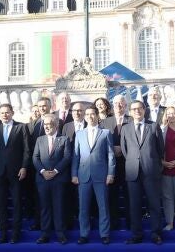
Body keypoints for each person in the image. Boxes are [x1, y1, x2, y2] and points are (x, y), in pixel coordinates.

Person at [120, 100, 164, 245]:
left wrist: (154, 165)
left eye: (139, 108)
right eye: (133, 109)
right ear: (130, 112)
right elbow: (125, 150)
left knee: (154, 204)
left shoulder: (153, 126)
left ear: (144, 110)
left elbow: (160, 149)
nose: (137, 111)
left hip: (151, 171)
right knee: (134, 205)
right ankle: (136, 234)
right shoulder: (125, 128)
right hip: (133, 172)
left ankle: (156, 234)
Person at [0, 103, 30, 244]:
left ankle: (15, 234)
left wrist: (24, 167)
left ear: (12, 112)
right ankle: (3, 233)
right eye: (2, 113)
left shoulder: (21, 127)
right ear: (0, 114)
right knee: (1, 204)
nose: (5, 115)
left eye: (7, 112)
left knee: (17, 203)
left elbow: (26, 150)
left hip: (17, 172)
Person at [72, 106, 115, 245]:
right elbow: (75, 156)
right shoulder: (79, 134)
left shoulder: (106, 133)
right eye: (87, 114)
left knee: (103, 207)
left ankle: (105, 234)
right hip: (83, 176)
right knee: (83, 207)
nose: (90, 117)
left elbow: (110, 155)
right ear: (84, 117)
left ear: (97, 116)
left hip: (101, 175)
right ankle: (84, 234)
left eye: (92, 114)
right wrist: (74, 174)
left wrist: (111, 173)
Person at [32, 114, 71, 245]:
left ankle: (61, 234)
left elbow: (67, 158)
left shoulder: (64, 139)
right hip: (42, 179)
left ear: (56, 125)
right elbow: (35, 158)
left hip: (59, 179)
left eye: (49, 124)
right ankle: (44, 234)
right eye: (45, 125)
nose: (47, 127)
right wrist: (43, 171)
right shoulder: (39, 139)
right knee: (44, 207)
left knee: (59, 206)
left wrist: (55, 171)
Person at [100, 94, 132, 230]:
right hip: (110, 166)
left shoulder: (132, 120)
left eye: (121, 103)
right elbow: (100, 142)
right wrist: (113, 149)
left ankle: (131, 223)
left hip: (128, 164)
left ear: (125, 105)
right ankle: (113, 223)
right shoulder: (105, 122)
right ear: (113, 106)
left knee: (129, 195)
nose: (119, 106)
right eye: (116, 103)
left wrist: (123, 149)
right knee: (111, 196)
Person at [61, 101, 86, 228]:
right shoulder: (66, 126)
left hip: (87, 165)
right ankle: (71, 220)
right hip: (69, 165)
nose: (77, 113)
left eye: (80, 110)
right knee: (70, 193)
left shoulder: (90, 124)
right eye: (74, 110)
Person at [160, 107, 175, 231]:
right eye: (168, 113)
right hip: (164, 167)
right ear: (165, 116)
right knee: (167, 197)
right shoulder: (161, 130)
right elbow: (156, 148)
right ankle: (169, 223)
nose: (171, 115)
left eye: (173, 113)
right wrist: (162, 162)